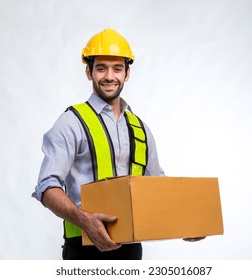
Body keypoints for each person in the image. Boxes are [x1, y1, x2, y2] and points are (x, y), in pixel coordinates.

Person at [32, 28, 204, 260]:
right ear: (88, 71)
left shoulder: (140, 129)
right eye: (101, 67)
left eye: (117, 68)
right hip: (83, 249)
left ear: (127, 73)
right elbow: (46, 186)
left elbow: (157, 186)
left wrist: (185, 222)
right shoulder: (72, 122)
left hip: (131, 248)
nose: (109, 76)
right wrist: (85, 220)